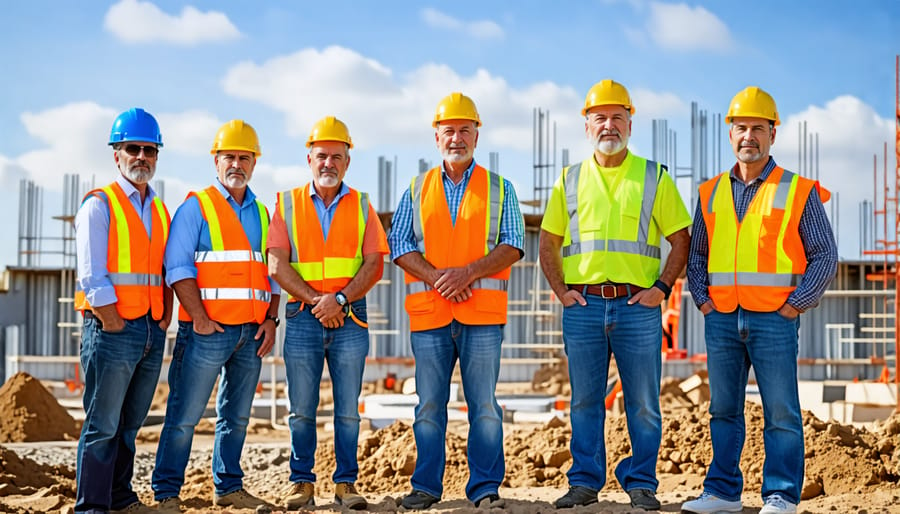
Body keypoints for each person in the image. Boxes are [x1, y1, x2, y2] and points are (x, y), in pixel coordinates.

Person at [681, 86, 837, 514]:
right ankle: (723, 493)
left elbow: (825, 254)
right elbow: (697, 254)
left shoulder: (796, 190)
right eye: (740, 127)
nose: (748, 135)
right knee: (723, 411)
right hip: (722, 318)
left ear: (772, 134)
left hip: (774, 320)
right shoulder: (709, 192)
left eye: (758, 128)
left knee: (781, 412)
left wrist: (796, 304)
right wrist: (703, 300)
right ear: (729, 134)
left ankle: (781, 495)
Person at [538, 79, 692, 511]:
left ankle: (641, 482)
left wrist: (661, 288)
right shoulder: (569, 179)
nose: (609, 125)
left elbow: (681, 239)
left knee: (643, 403)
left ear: (630, 123)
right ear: (587, 126)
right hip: (583, 307)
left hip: (636, 307)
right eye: (600, 118)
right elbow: (548, 242)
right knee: (585, 401)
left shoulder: (653, 176)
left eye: (617, 118)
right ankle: (585, 482)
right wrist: (562, 291)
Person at [389, 92, 525, 510]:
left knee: (483, 405)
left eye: (465, 130)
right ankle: (426, 488)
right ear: (436, 137)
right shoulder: (417, 188)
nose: (457, 138)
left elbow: (514, 243)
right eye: (449, 130)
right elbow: (398, 243)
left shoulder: (500, 188)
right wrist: (437, 278)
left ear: (477, 134)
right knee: (429, 405)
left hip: (481, 316)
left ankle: (485, 488)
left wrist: (469, 273)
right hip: (431, 315)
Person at [151, 120, 279, 513]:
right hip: (207, 332)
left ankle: (228, 488)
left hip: (251, 334)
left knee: (235, 418)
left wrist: (272, 319)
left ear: (254, 163)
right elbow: (177, 269)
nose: (237, 164)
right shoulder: (196, 207)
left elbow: (274, 271)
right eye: (230, 157)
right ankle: (167, 493)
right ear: (216, 160)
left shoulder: (263, 210)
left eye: (245, 157)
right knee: (185, 416)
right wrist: (200, 319)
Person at [267, 116, 389, 510]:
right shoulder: (286, 203)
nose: (328, 163)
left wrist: (338, 300)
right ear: (309, 158)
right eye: (322, 156)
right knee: (301, 409)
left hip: (349, 316)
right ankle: (301, 483)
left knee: (348, 409)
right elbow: (277, 265)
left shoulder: (362, 205)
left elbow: (374, 264)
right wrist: (319, 302)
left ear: (347, 162)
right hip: (305, 317)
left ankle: (346, 484)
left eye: (337, 156)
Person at [74, 107, 172, 514]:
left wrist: (164, 316)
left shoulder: (161, 210)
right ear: (117, 153)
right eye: (134, 148)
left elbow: (164, 269)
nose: (142, 157)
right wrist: (112, 321)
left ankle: (119, 496)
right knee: (102, 426)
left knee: (129, 426)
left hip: (149, 331)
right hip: (112, 330)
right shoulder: (100, 205)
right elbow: (91, 275)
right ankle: (92, 506)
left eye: (150, 150)